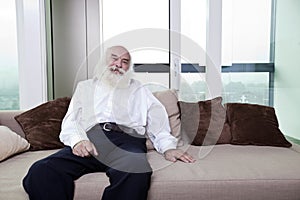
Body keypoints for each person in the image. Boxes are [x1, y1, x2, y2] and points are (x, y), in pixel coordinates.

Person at [22, 45, 195, 200]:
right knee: (41, 170)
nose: (119, 64)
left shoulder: (139, 90)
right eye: (114, 58)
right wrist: (78, 140)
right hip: (91, 140)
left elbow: (158, 122)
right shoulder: (85, 87)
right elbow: (72, 120)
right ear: (103, 62)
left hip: (127, 141)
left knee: (135, 170)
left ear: (129, 68)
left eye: (125, 61)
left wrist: (168, 147)